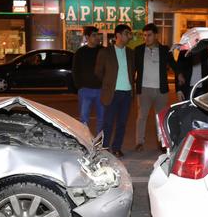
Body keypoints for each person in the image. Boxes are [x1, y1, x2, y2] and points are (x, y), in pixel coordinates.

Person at [134, 23, 177, 151]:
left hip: (161, 90)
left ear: (156, 35)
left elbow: (174, 65)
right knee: (142, 117)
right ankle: (139, 142)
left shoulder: (165, 50)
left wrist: (179, 75)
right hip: (144, 90)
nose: (146, 38)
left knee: (161, 118)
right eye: (145, 35)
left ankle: (162, 143)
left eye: (149, 35)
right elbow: (133, 68)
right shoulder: (139, 50)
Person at [95, 24, 135, 158]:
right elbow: (98, 72)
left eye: (129, 34)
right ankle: (105, 147)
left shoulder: (130, 52)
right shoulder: (105, 52)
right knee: (108, 122)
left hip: (127, 93)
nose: (129, 36)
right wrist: (108, 84)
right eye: (126, 33)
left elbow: (132, 71)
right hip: (112, 93)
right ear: (117, 35)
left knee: (122, 123)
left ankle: (117, 147)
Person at [72, 26, 104, 134]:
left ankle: (100, 143)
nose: (97, 37)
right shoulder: (80, 52)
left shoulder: (103, 51)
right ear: (87, 37)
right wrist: (79, 87)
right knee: (84, 118)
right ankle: (85, 142)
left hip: (101, 90)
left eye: (97, 35)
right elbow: (75, 70)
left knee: (102, 118)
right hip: (85, 90)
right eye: (94, 35)